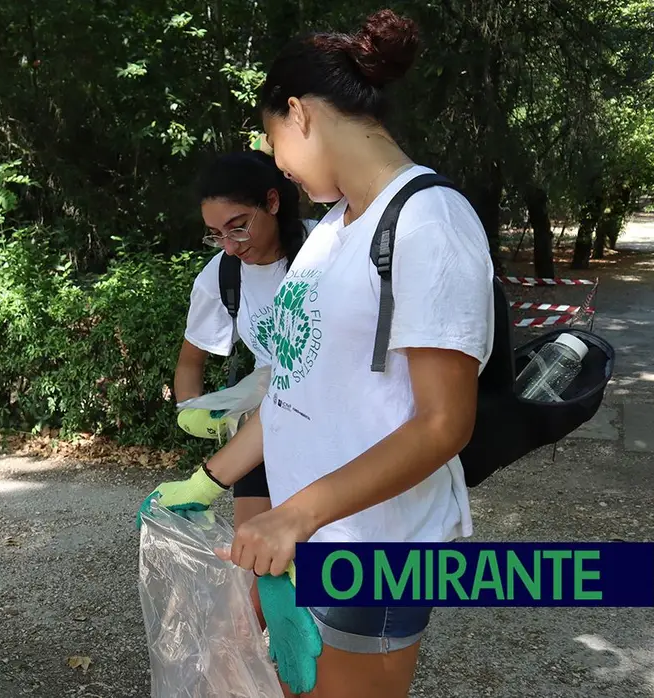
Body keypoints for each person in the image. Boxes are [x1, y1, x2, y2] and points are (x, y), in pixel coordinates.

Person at [141, 10, 494, 697]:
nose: (277, 166)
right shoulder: (333, 229)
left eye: (274, 142)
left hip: (374, 547)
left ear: (298, 114)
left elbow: (443, 424)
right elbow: (295, 389)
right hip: (307, 544)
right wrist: (211, 479)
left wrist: (296, 514)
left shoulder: (430, 220)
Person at [169, 149, 317, 530]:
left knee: (330, 568)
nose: (231, 246)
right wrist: (192, 410)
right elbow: (190, 361)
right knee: (253, 565)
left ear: (271, 201)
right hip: (261, 430)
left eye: (238, 227)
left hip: (329, 428)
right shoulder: (222, 275)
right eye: (217, 236)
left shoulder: (327, 249)